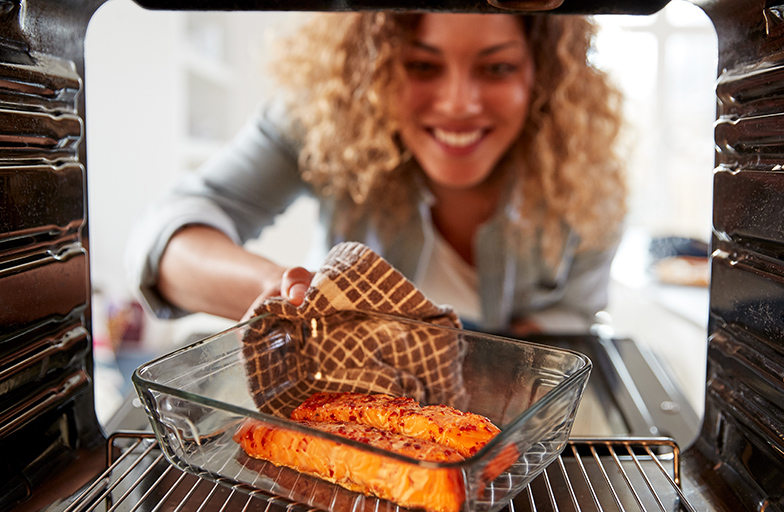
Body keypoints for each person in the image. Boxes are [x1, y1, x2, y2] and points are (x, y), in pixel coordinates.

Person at [126, 12, 626, 335]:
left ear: (540, 75)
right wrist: (288, 295)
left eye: (496, 69)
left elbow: (569, 330)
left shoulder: (584, 180)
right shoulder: (323, 122)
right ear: (375, 69)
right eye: (422, 66)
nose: (458, 104)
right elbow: (165, 239)